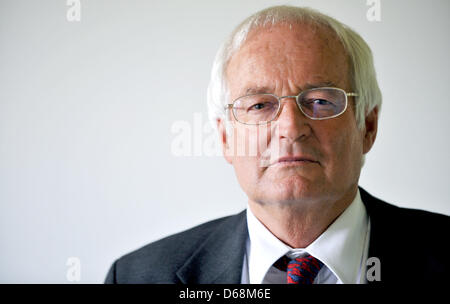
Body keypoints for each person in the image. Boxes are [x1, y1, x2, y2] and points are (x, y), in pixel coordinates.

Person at [105, 5, 449, 284]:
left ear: (368, 127)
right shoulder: (140, 276)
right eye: (259, 105)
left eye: (320, 101)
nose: (290, 128)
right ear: (225, 138)